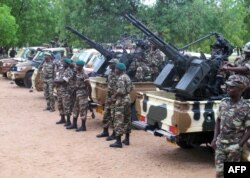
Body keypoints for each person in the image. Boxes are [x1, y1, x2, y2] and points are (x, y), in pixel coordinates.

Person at [211, 75, 250, 178]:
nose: (228, 89)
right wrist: (215, 139)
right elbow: (218, 120)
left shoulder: (245, 107)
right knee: (219, 173)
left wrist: (239, 146)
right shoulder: (223, 103)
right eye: (228, 86)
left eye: (232, 87)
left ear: (240, 89)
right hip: (220, 145)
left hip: (234, 147)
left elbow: (249, 130)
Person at [110, 63, 134, 148]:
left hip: (121, 100)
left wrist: (114, 96)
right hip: (127, 99)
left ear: (119, 70)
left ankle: (118, 142)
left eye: (116, 69)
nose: (115, 70)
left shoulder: (120, 78)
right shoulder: (127, 77)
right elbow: (131, 88)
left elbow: (120, 91)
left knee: (118, 120)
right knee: (127, 119)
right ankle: (127, 139)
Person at [96, 58, 119, 139]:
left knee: (114, 116)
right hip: (109, 97)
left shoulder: (119, 75)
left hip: (115, 98)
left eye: (111, 63)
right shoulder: (110, 73)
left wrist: (115, 97)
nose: (109, 64)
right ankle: (105, 131)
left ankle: (114, 134)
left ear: (116, 64)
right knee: (106, 115)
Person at [71, 60, 92, 132]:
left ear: (81, 66)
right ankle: (74, 124)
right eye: (76, 65)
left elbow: (89, 86)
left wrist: (90, 95)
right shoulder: (77, 72)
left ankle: (83, 126)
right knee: (75, 108)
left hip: (83, 93)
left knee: (82, 110)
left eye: (77, 65)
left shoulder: (84, 74)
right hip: (77, 92)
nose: (76, 66)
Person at [54, 58, 74, 126]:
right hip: (60, 90)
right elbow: (58, 77)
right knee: (60, 104)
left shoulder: (69, 71)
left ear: (67, 64)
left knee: (66, 106)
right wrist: (57, 80)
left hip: (66, 91)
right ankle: (62, 119)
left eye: (64, 62)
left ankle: (68, 121)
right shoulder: (62, 70)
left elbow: (64, 81)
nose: (62, 64)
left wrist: (55, 81)